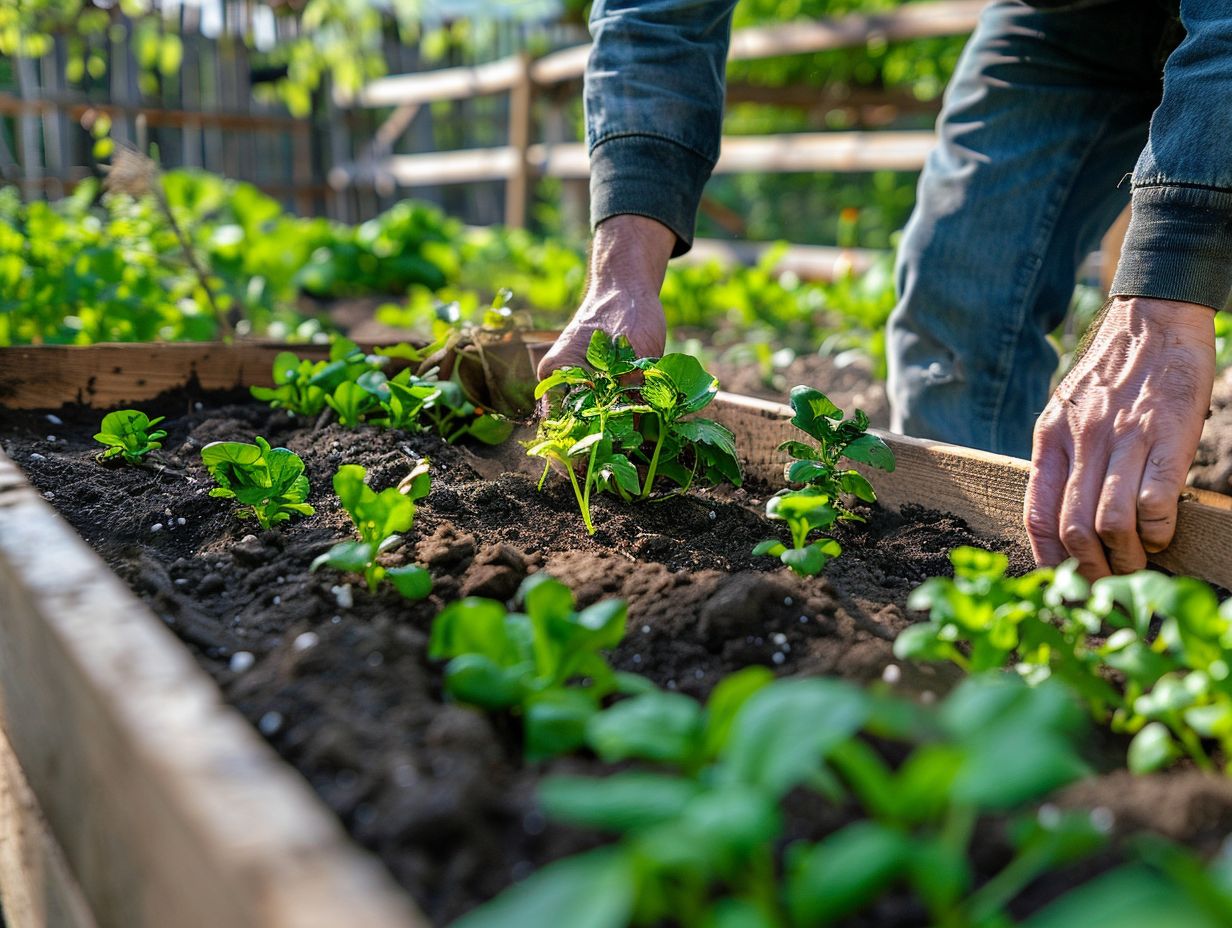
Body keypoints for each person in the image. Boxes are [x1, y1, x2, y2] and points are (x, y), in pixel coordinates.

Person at [536, 0, 1232, 581]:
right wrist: (622, 275)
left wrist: (1165, 304)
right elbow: (658, 14)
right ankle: (1008, 594)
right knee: (957, 305)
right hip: (1068, 17)